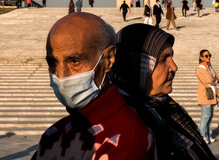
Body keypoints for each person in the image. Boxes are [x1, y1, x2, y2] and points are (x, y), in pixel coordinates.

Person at [32, 13, 156, 160]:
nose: (60, 75)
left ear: (108, 58)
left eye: (74, 61)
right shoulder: (52, 135)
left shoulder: (129, 139)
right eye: (53, 63)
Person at [111, 23, 216, 159]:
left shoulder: (164, 107)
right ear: (136, 65)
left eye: (171, 57)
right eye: (163, 59)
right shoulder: (126, 128)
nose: (174, 67)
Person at [196, 49, 219, 144]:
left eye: (209, 55)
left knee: (209, 117)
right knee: (205, 116)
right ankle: (202, 136)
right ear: (201, 57)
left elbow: (218, 77)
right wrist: (215, 79)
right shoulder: (201, 68)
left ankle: (208, 136)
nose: (209, 57)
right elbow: (211, 80)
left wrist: (215, 79)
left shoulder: (209, 67)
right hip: (205, 95)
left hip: (212, 95)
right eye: (206, 56)